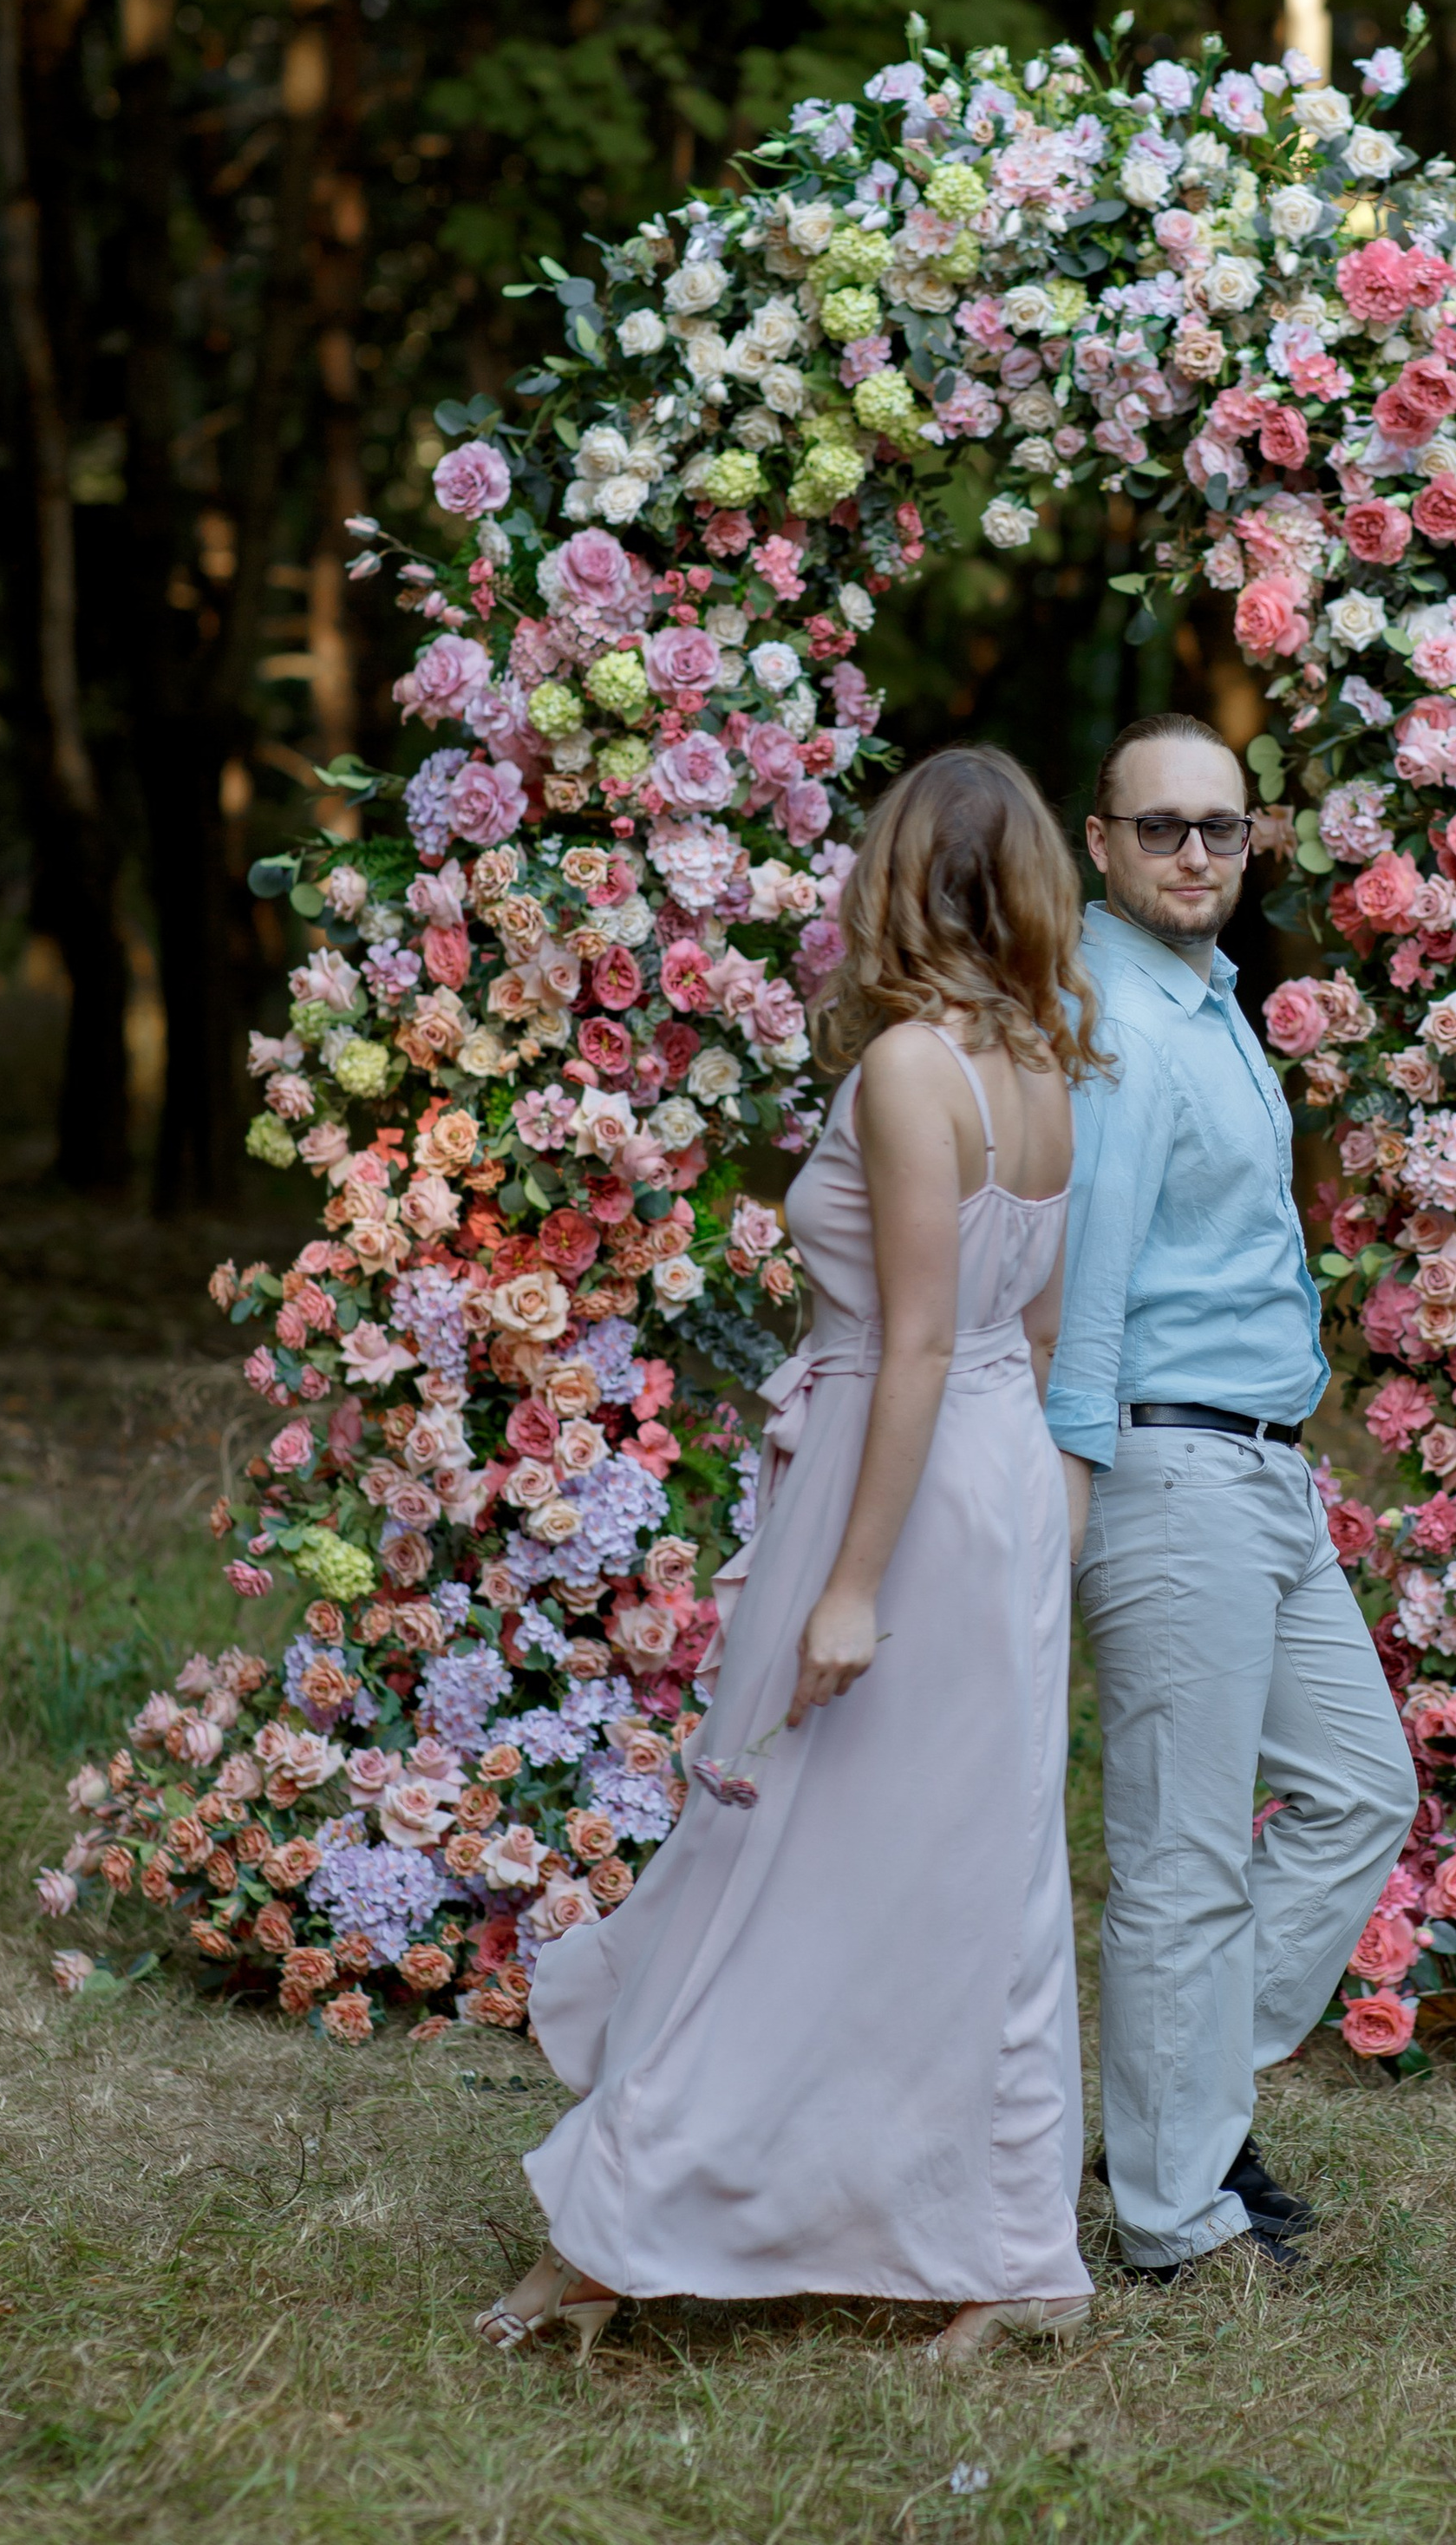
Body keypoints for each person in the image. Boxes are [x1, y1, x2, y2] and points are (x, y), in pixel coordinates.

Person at [476, 747, 1100, 2366]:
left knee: (787, 1865)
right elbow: (1025, 1338)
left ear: (892, 877)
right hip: (1000, 1481)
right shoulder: (1042, 1065)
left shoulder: (912, 1068)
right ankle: (1002, 2250)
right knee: (978, 1880)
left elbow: (913, 1348)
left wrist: (845, 1586)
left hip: (906, 1493)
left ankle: (617, 2242)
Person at [1048, 710, 1419, 2283]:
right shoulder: (1108, 1011)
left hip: (1264, 1468)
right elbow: (1089, 1270)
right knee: (1183, 1862)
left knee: (1361, 1791)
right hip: (1165, 1466)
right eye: (1161, 828)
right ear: (1099, 843)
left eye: (1222, 827)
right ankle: (1172, 2216)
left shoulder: (1208, 993)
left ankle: (1172, 2103)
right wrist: (1073, 1483)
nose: (1196, 853)